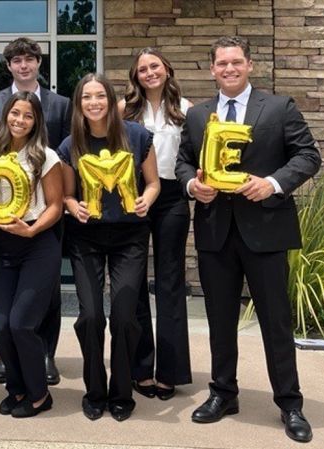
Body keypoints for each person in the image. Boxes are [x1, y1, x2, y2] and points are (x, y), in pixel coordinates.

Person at [176, 36, 320, 443]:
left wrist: (273, 183)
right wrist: (192, 187)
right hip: (215, 232)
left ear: (250, 65)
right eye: (222, 63)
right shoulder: (200, 115)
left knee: (276, 323)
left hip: (266, 232)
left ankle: (290, 404)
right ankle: (223, 393)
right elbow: (183, 161)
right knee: (220, 322)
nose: (229, 69)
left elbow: (309, 156)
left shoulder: (279, 107)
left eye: (236, 62)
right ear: (212, 70)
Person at [59, 73, 160, 422]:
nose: (93, 103)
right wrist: (74, 206)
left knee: (123, 315)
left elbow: (153, 183)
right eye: (86, 97)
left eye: (99, 96)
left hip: (130, 236)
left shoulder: (136, 136)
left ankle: (121, 392)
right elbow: (68, 194)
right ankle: (94, 391)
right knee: (90, 316)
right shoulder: (70, 144)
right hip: (86, 237)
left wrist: (146, 200)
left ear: (110, 98)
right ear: (79, 104)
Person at [0, 37, 69, 385]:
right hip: (4, 222)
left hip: (44, 216)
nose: (24, 65)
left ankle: (46, 356)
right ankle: (9, 357)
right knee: (7, 296)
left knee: (48, 293)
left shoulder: (60, 104)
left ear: (38, 63)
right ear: (9, 65)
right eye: (17, 61)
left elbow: (66, 156)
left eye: (29, 59)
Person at [0, 91, 63, 418]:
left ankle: (40, 394)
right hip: (3, 244)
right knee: (1, 325)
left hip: (37, 244)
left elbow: (55, 206)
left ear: (36, 121)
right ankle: (16, 389)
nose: (20, 120)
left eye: (28, 116)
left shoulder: (45, 156)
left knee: (22, 324)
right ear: (6, 115)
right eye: (15, 114)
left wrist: (31, 230)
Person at [118, 48, 192, 401]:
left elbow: (192, 158)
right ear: (135, 75)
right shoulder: (124, 110)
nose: (149, 73)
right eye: (143, 69)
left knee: (169, 283)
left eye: (155, 67)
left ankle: (170, 371)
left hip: (173, 198)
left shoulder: (187, 110)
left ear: (166, 70)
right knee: (132, 283)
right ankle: (140, 368)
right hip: (133, 196)